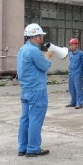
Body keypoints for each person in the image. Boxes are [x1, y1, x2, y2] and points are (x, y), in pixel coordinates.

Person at [17, 24, 53, 157]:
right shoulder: (34, 51)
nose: (42, 38)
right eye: (41, 36)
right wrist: (47, 56)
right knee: (35, 119)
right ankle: (33, 148)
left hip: (25, 89)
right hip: (36, 90)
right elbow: (44, 66)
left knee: (25, 118)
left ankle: (23, 147)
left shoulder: (22, 49)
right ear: (37, 37)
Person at [66, 38, 83, 109]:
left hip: (78, 73)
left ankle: (79, 103)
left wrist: (80, 70)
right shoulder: (70, 54)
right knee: (71, 89)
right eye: (70, 45)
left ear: (76, 45)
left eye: (72, 45)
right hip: (71, 73)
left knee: (78, 89)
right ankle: (73, 102)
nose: (71, 46)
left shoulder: (81, 54)